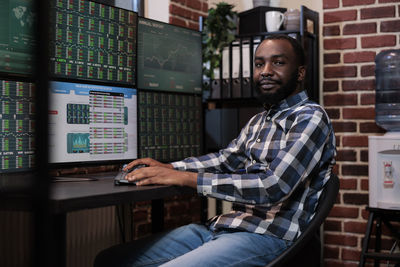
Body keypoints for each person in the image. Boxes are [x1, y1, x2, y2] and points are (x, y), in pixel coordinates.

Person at [94, 34, 336, 267]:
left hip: (268, 236)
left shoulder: (311, 117)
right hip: (225, 226)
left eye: (278, 62)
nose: (265, 71)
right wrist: (170, 168)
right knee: (110, 260)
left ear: (300, 72)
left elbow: (272, 186)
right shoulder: (259, 120)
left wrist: (186, 178)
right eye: (259, 64)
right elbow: (225, 160)